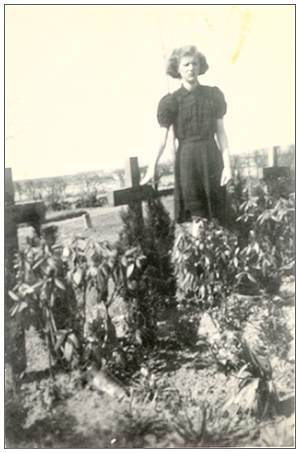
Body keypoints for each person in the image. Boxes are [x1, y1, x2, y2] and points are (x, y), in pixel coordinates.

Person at [142, 45, 232, 232]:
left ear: (201, 66)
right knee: (197, 218)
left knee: (218, 215)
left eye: (195, 63)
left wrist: (228, 166)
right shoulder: (171, 101)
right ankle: (198, 256)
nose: (191, 68)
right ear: (177, 69)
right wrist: (152, 168)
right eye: (186, 64)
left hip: (211, 157)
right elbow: (162, 139)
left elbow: (221, 132)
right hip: (187, 161)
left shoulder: (213, 95)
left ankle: (220, 257)